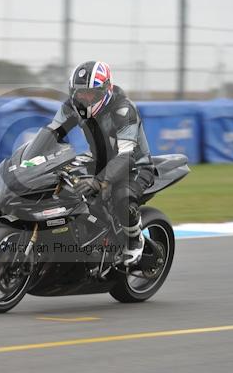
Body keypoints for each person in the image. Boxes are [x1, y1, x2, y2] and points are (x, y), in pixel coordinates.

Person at [45, 61, 154, 266]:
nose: (84, 98)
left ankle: (134, 239)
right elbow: (52, 133)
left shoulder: (123, 110)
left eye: (90, 94)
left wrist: (99, 181)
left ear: (106, 90)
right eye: (80, 93)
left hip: (134, 165)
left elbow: (126, 155)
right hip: (98, 159)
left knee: (122, 196)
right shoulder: (72, 106)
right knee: (58, 178)